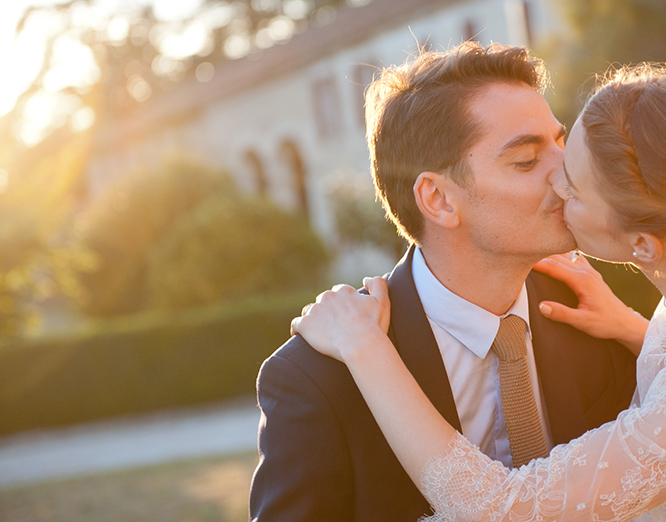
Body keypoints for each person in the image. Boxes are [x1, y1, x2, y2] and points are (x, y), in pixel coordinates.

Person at [292, 64, 666, 521]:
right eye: (532, 160)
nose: (557, 178)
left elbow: (504, 510)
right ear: (438, 199)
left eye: (572, 178)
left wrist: (365, 347)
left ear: (645, 246)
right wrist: (642, 333)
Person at [248, 43, 640, 522]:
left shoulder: (592, 312)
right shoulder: (318, 378)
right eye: (526, 160)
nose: (568, 173)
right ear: (438, 200)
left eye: (561, 144)